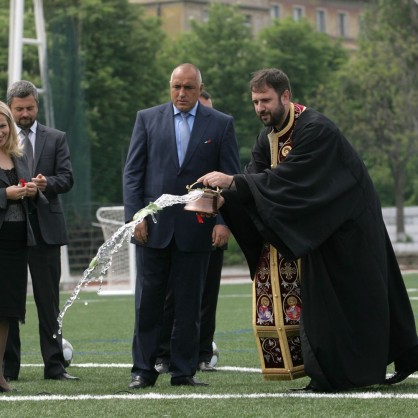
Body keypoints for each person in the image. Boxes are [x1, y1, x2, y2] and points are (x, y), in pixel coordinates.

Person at [198, 68, 418, 392]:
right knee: (330, 306)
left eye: (266, 101)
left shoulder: (316, 130)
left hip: (348, 229)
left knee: (355, 302)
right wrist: (222, 202)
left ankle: (342, 376)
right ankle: (336, 374)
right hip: (317, 230)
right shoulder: (267, 137)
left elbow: (292, 182)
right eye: (256, 102)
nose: (260, 108)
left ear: (286, 96)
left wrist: (233, 182)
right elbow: (254, 186)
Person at [123, 63, 240, 388]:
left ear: (199, 89)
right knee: (148, 303)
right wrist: (136, 217)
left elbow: (229, 178)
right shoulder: (147, 119)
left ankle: (184, 371)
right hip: (153, 229)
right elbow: (133, 174)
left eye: (188, 88)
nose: (181, 93)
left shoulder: (221, 124)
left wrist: (223, 223)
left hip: (197, 230)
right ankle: (142, 370)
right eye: (176, 87)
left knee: (190, 304)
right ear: (170, 87)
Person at [3, 80, 78, 381]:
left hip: (46, 228)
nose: (24, 113)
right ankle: (9, 367)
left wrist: (47, 184)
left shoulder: (55, 137)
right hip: (11, 232)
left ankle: (55, 365)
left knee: (49, 303)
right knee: (9, 301)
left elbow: (67, 178)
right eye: (19, 109)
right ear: (10, 108)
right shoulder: (2, 138)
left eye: (30, 108)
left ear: (37, 105)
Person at [155, 90, 231, 374]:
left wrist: (223, 221)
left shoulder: (220, 130)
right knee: (171, 294)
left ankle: (202, 352)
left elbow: (227, 178)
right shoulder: (171, 130)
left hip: (209, 227)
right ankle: (163, 354)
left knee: (207, 292)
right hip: (176, 226)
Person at [0, 101, 44, 392]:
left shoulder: (19, 156)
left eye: (2, 126)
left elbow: (37, 199)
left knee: (7, 311)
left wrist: (32, 191)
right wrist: (5, 193)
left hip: (17, 243)